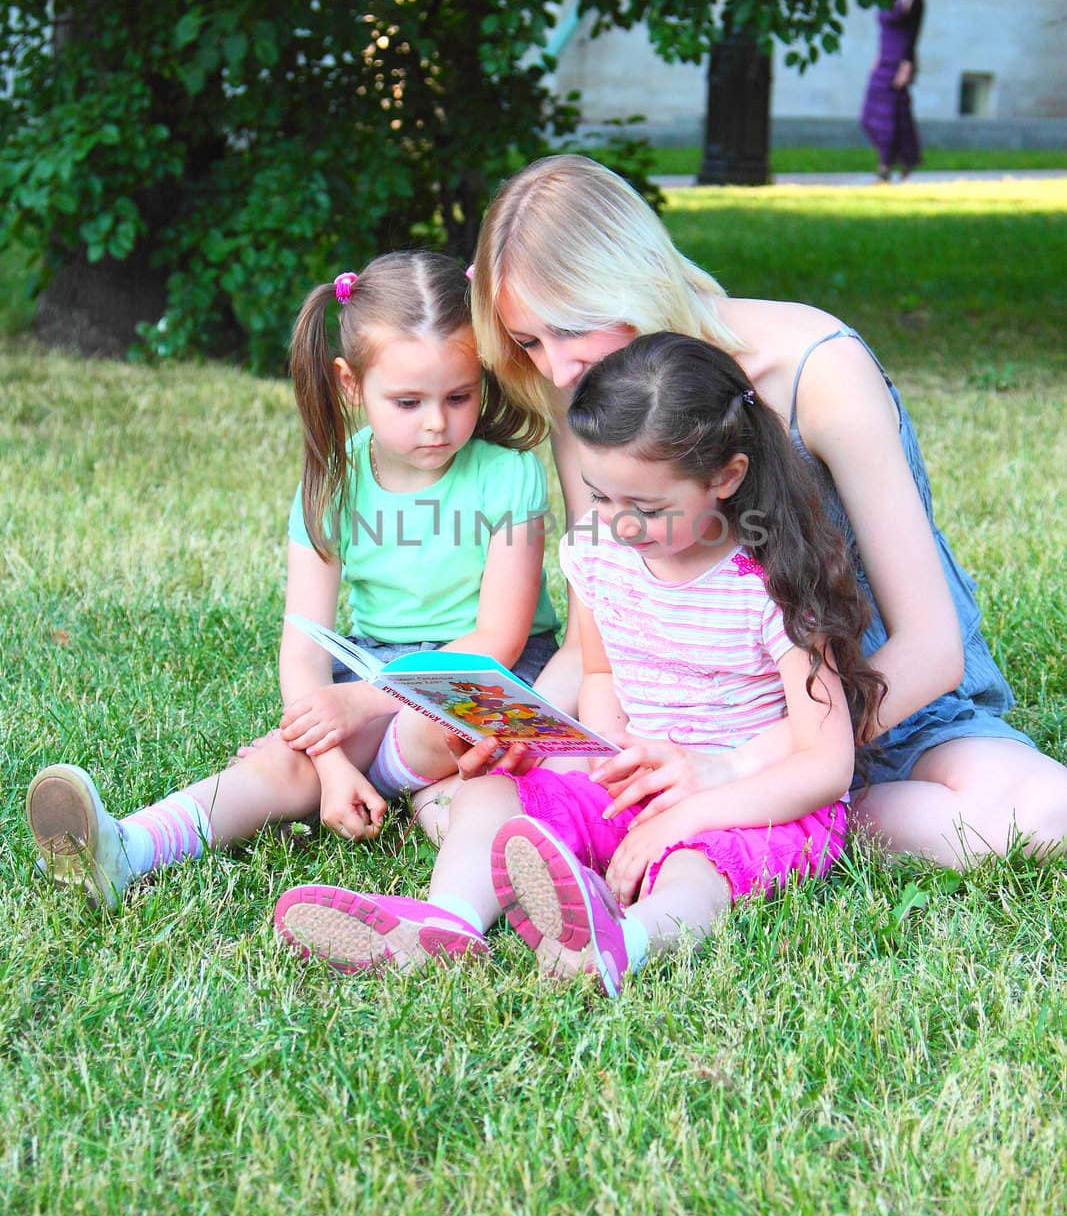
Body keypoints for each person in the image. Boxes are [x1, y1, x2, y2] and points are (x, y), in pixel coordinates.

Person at [451, 152, 1065, 872]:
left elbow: (930, 649)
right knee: (474, 800)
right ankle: (721, 832)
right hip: (673, 722)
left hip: (873, 701)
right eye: (529, 342)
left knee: (1042, 811)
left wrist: (741, 767)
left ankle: (771, 826)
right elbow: (605, 628)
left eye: (569, 328)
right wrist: (536, 728)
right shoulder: (584, 395)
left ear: (630, 283)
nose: (556, 369)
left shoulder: (815, 365)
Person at [273, 334, 888, 993]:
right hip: (636, 777)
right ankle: (448, 923)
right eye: (601, 497)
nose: (619, 524)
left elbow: (825, 764)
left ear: (726, 478)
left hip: (750, 802)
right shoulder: (600, 553)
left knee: (695, 868)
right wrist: (599, 748)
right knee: (492, 790)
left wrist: (683, 816)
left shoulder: (772, 583)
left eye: (647, 509)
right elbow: (599, 674)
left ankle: (621, 944)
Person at [25, 250, 558, 907]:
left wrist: (360, 702)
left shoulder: (511, 475)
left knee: (442, 729)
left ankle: (420, 789)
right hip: (376, 668)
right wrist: (332, 764)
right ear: (350, 384)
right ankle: (128, 848)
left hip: (484, 677)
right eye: (408, 400)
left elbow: (497, 640)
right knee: (289, 758)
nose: (434, 422)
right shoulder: (333, 482)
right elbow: (304, 648)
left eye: (459, 396)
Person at [861, 0, 925, 182]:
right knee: (870, 116)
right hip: (883, 59)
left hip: (899, 61)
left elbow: (913, 34)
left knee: (892, 116)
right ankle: (905, 158)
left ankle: (885, 167)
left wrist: (906, 67)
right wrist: (876, 59)